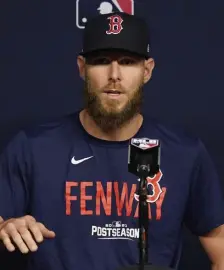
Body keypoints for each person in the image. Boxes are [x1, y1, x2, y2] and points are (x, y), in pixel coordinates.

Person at [0, 12, 224, 270]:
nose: (114, 74)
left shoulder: (184, 152)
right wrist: (5, 225)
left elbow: (219, 244)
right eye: (102, 61)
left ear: (147, 71)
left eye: (128, 62)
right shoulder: (32, 146)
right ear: (82, 68)